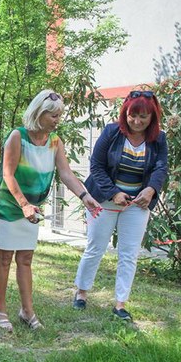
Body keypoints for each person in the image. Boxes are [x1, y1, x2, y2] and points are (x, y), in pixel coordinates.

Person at [0, 90, 99, 332]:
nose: (57, 120)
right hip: (8, 206)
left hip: (32, 209)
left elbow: (66, 173)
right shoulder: (18, 136)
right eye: (53, 115)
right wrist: (24, 204)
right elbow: (7, 174)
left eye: (59, 115)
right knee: (4, 259)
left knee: (25, 259)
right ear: (39, 113)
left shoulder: (55, 141)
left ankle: (27, 311)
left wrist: (85, 196)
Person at [72, 90, 169, 321]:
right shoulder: (111, 132)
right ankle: (81, 293)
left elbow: (161, 168)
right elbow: (96, 166)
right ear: (125, 113)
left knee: (129, 253)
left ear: (152, 117)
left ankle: (120, 303)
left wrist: (151, 189)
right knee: (95, 247)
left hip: (137, 204)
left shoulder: (159, 139)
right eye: (132, 115)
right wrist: (113, 192)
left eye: (143, 117)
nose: (136, 121)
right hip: (104, 199)